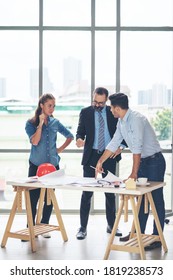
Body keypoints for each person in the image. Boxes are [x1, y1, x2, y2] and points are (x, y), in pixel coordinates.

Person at [95, 92, 166, 250]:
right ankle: (137, 233)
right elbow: (114, 142)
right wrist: (100, 161)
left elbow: (137, 149)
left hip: (154, 161)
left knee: (155, 200)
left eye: (112, 108)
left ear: (118, 108)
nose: (110, 110)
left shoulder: (136, 120)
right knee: (140, 200)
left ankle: (157, 237)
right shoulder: (122, 122)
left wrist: (134, 173)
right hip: (143, 161)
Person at [76, 87, 126, 240]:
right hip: (91, 156)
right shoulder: (85, 112)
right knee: (87, 193)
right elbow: (80, 131)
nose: (97, 105)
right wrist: (78, 138)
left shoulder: (113, 113)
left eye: (101, 103)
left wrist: (121, 146)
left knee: (110, 193)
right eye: (95, 102)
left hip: (109, 156)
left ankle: (111, 225)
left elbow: (123, 132)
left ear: (106, 100)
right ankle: (82, 227)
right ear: (93, 97)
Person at [25, 93, 74, 238]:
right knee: (33, 198)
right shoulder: (30, 123)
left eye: (54, 106)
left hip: (52, 166)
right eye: (49, 105)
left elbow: (70, 136)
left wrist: (59, 150)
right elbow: (35, 141)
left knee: (49, 198)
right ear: (42, 105)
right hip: (36, 165)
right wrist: (40, 124)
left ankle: (44, 226)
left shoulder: (55, 122)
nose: (52, 108)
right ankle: (31, 228)